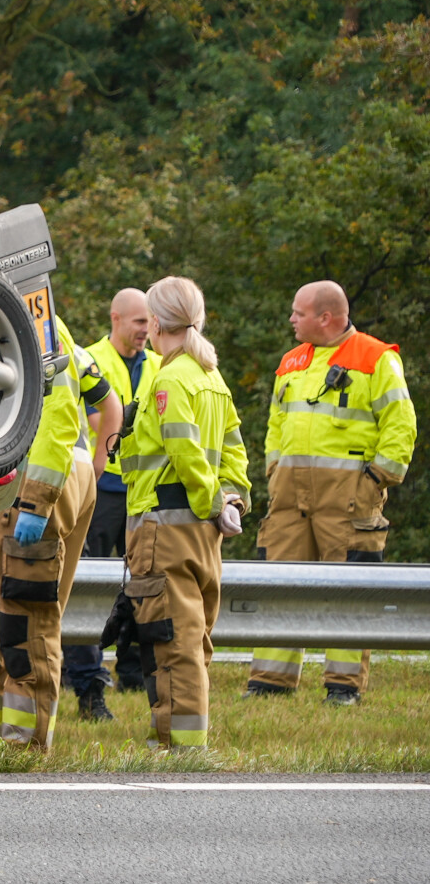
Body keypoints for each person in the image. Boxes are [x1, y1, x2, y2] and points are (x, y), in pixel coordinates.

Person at [245, 281, 416, 705]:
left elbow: (401, 425)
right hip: (290, 496)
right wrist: (274, 468)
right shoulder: (291, 361)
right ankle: (269, 681)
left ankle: (343, 688)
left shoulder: (376, 358)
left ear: (326, 317)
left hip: (349, 497)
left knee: (349, 587)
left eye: (297, 312)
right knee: (280, 581)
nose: (290, 319)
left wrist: (377, 479)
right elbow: (275, 424)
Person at [0, 314, 107, 750]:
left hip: (35, 477)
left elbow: (58, 416)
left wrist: (39, 500)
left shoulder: (36, 318)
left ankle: (24, 748)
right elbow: (107, 401)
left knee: (24, 624)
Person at [118, 276, 250, 751]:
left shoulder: (170, 378)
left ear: (155, 322)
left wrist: (213, 499)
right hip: (202, 533)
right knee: (193, 640)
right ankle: (184, 741)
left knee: (171, 641)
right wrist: (231, 500)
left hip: (165, 528)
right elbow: (234, 447)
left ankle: (178, 747)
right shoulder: (210, 376)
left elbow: (184, 450)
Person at [65, 289, 161, 706]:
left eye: (149, 323)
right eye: (139, 322)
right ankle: (84, 674)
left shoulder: (161, 364)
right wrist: (100, 464)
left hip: (144, 490)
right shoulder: (90, 358)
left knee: (144, 583)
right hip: (101, 490)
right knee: (88, 584)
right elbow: (87, 417)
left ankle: (134, 671)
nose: (145, 331)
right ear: (116, 318)